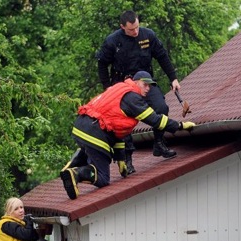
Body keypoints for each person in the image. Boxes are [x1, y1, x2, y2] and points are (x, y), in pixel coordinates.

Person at [60, 71, 195, 200]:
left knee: (96, 154)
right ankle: (76, 173)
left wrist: (120, 158)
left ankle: (75, 162)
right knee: (103, 178)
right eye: (145, 84)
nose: (148, 89)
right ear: (136, 82)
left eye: (150, 85)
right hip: (94, 132)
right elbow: (156, 121)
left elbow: (116, 131)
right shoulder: (133, 98)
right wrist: (180, 126)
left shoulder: (120, 88)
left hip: (81, 125)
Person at [96, 10, 183, 173]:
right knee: (125, 120)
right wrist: (107, 88)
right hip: (122, 85)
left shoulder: (148, 35)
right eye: (131, 29)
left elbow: (162, 56)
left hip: (145, 81)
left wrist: (173, 78)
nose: (135, 32)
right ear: (122, 27)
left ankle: (159, 144)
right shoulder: (112, 41)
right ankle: (128, 160)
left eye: (136, 27)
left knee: (161, 108)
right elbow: (102, 64)